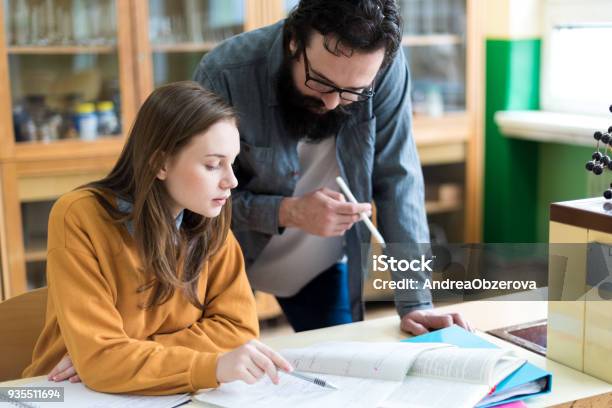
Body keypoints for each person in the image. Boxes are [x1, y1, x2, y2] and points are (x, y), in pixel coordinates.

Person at [193, 0, 470, 333]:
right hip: (230, 257)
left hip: (318, 264)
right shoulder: (225, 72)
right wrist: (287, 212)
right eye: (320, 82)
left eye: (354, 92)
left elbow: (399, 180)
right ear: (293, 41)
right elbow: (195, 201)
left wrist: (417, 303)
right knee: (228, 367)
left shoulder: (383, 70)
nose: (332, 103)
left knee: (342, 367)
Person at [23, 82, 292, 393]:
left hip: (149, 390)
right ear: (160, 163)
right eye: (212, 165)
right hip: (60, 392)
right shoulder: (79, 216)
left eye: (231, 163)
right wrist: (212, 365)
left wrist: (123, 354)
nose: (231, 181)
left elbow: (239, 331)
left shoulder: (210, 220)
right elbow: (101, 361)